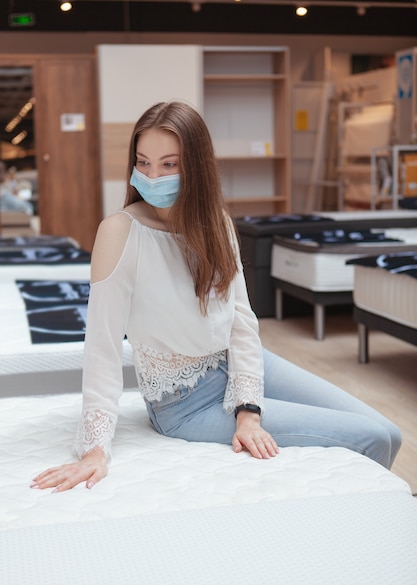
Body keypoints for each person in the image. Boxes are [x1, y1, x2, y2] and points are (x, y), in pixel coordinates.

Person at [30, 101, 402, 493]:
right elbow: (102, 347)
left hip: (243, 366)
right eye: (144, 163)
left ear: (197, 167)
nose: (153, 176)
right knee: (371, 438)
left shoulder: (216, 223)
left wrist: (248, 410)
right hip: (186, 403)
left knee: (390, 431)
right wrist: (94, 450)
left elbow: (241, 320)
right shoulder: (120, 232)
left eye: (169, 164)